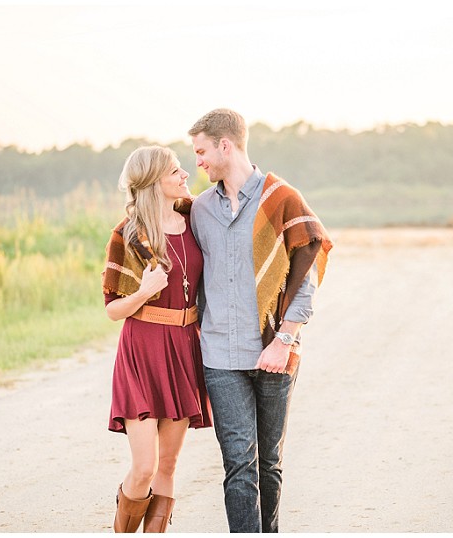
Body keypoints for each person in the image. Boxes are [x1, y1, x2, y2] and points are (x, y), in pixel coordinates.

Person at [188, 109, 333, 532]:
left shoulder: (282, 199)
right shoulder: (198, 210)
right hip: (220, 356)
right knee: (238, 464)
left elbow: (304, 273)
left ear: (225, 145)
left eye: (201, 151)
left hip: (275, 351)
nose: (198, 161)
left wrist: (283, 339)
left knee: (268, 463)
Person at [101, 145, 211, 533]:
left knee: (167, 465)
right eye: (175, 172)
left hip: (183, 347)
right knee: (144, 466)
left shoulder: (196, 218)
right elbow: (113, 309)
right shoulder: (128, 233)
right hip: (142, 349)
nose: (185, 176)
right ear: (152, 182)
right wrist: (144, 292)